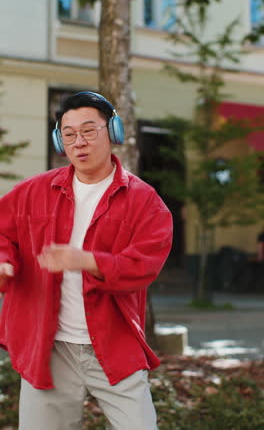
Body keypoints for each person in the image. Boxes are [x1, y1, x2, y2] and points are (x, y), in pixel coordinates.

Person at [0, 91, 173, 430]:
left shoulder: (145, 202)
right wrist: (4, 261)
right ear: (59, 140)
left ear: (114, 132)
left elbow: (143, 266)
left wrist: (88, 261)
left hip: (113, 344)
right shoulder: (33, 191)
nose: (79, 142)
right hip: (49, 348)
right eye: (69, 134)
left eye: (89, 130)